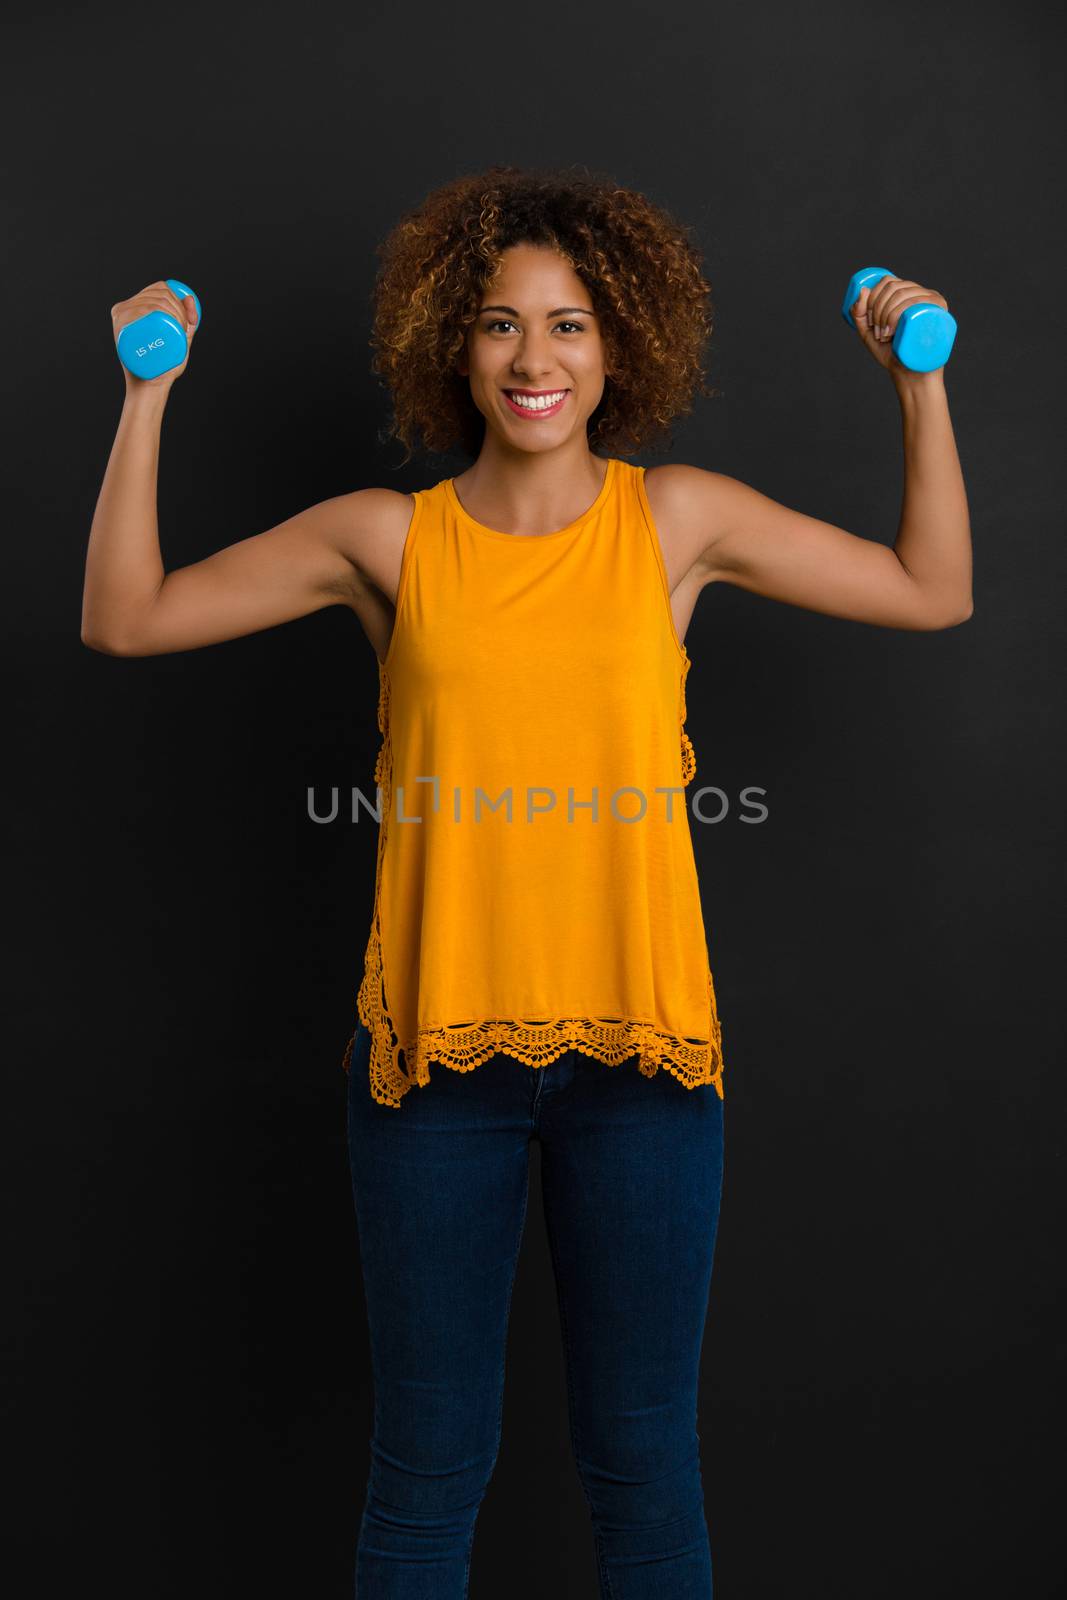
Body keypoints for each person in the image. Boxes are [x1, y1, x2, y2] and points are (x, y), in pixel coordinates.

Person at [81, 164, 972, 1599]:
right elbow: (125, 616)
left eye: (567, 324)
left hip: (647, 1065)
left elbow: (935, 587)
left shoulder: (677, 522)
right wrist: (146, 395)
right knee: (428, 1474)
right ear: (455, 343)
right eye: (499, 324)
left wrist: (917, 383)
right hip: (433, 1073)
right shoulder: (386, 539)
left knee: (644, 1467)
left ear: (620, 345)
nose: (534, 358)